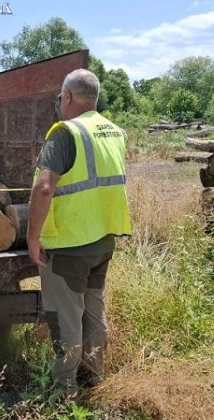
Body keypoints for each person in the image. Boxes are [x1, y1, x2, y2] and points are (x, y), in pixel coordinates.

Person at [26, 68, 132, 394]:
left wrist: (32, 237)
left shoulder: (65, 133)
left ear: (68, 97)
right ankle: (93, 378)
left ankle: (64, 392)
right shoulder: (115, 132)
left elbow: (44, 188)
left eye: (61, 98)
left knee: (66, 320)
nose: (60, 104)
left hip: (69, 244)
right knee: (94, 313)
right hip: (103, 241)